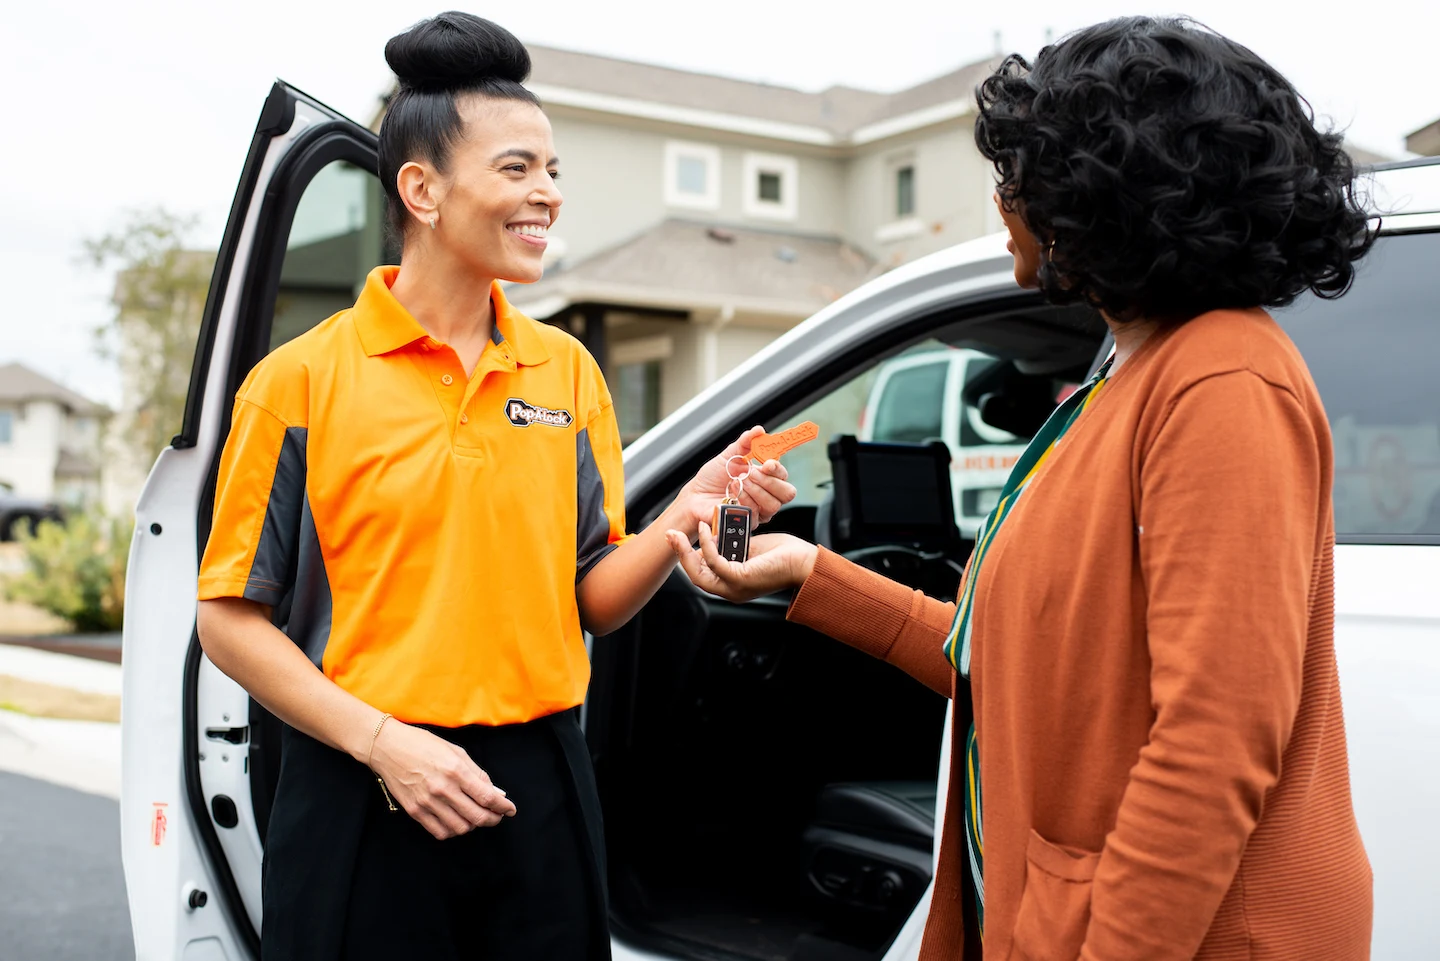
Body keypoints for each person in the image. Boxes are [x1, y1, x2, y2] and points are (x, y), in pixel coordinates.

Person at [668, 16, 1373, 961]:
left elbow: (1211, 750)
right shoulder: (1123, 381)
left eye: (1020, 175)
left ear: (1098, 193)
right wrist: (804, 569)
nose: (1004, 200)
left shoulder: (1222, 378)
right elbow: (993, 658)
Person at [195, 12, 794, 961]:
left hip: (538, 784)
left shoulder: (568, 374)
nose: (547, 195)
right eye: (517, 170)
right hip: (363, 785)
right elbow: (228, 619)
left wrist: (679, 519)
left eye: (553, 171)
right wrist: (385, 743)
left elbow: (592, 597)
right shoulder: (298, 384)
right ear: (422, 189)